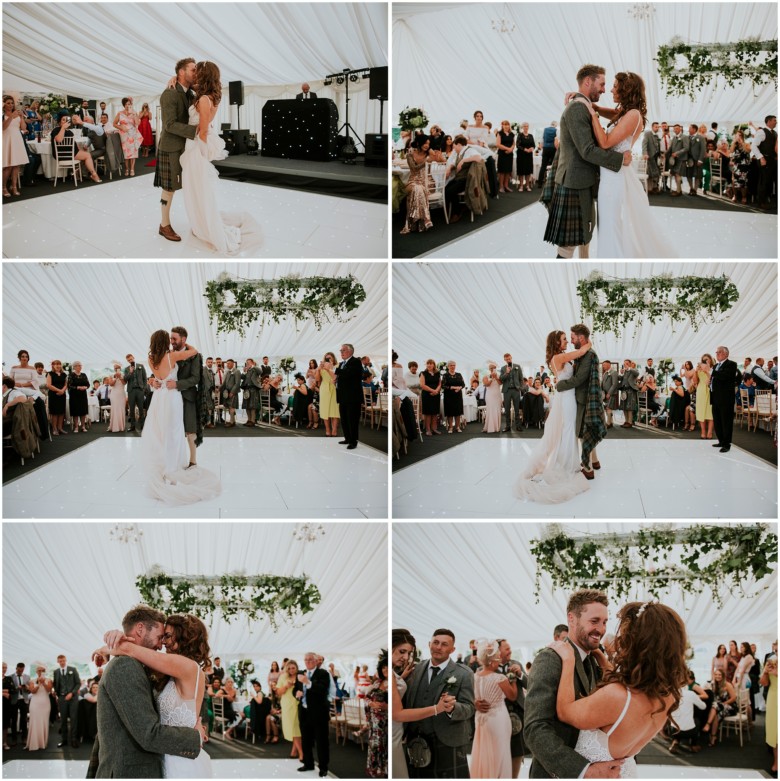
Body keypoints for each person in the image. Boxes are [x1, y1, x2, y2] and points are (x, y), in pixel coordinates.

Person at [547, 599, 688, 778]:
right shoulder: (667, 697)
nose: (619, 639)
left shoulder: (617, 696)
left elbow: (565, 711)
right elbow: (628, 688)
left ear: (638, 642)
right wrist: (602, 659)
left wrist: (568, 660)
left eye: (624, 634)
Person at [88, 607, 206, 778]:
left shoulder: (186, 666)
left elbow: (130, 650)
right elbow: (147, 730)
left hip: (179, 761)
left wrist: (111, 647)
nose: (161, 643)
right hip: (153, 761)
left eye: (167, 636)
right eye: (161, 636)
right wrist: (110, 648)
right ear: (141, 628)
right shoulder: (129, 666)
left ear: (184, 637)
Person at [576, 71, 675, 257]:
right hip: (610, 176)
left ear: (626, 90)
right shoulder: (626, 112)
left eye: (614, 86)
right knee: (608, 225)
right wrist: (590, 104)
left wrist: (592, 115)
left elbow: (605, 142)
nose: (611, 90)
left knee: (610, 225)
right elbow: (608, 112)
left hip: (615, 179)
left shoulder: (633, 114)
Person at [542, 66, 630, 259]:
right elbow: (587, 150)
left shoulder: (583, 105)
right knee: (568, 244)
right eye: (602, 84)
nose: (605, 89)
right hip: (574, 183)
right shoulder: (577, 108)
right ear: (588, 82)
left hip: (582, 181)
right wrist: (620, 159)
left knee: (584, 236)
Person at [179, 60, 257, 254]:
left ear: (204, 75)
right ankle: (200, 224)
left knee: (198, 190)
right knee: (196, 189)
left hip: (196, 148)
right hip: (194, 146)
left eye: (198, 71)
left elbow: (204, 130)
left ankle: (207, 228)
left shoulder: (204, 99)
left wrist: (201, 154)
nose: (195, 74)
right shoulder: (208, 96)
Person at [514, 328, 597, 503]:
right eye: (564, 339)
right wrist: (588, 341)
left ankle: (570, 461)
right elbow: (582, 351)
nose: (567, 341)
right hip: (566, 398)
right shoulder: (557, 358)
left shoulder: (560, 356)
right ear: (557, 342)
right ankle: (567, 464)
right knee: (568, 429)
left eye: (568, 339)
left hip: (568, 396)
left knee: (568, 429)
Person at [141, 328, 221, 504]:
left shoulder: (150, 358)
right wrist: (186, 344)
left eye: (174, 338)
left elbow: (160, 376)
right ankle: (173, 465)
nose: (171, 341)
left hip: (160, 397)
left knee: (161, 431)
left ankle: (172, 462)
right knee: (174, 431)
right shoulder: (171, 356)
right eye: (169, 339)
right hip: (171, 397)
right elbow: (194, 351)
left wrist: (155, 381)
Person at [402, 629, 475, 778]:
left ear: (452, 649)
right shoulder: (415, 669)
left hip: (448, 742)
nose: (438, 647)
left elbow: (469, 707)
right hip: (415, 741)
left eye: (444, 644)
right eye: (435, 642)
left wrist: (453, 708)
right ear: (429, 644)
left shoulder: (464, 673)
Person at [391, 629, 456, 781]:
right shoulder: (391, 674)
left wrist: (400, 678)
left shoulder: (397, 674)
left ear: (452, 649)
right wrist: (437, 708)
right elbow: (398, 714)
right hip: (397, 730)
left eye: (409, 653)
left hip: (403, 733)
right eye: (402, 651)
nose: (406, 657)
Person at [155, 58, 199, 242]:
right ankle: (164, 225)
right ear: (181, 72)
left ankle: (198, 223)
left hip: (187, 147)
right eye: (193, 69)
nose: (196, 72)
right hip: (171, 148)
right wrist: (196, 131)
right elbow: (170, 124)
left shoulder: (191, 93)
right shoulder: (169, 94)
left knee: (191, 185)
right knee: (169, 189)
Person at [470, 639, 516, 778]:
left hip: (480, 718)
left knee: (483, 750)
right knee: (500, 752)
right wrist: (512, 681)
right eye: (497, 658)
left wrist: (475, 703)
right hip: (498, 719)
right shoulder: (499, 678)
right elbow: (512, 696)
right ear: (492, 661)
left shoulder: (474, 676)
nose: (499, 660)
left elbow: (470, 697)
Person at [400, 134, 434, 234]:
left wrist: (434, 156)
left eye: (428, 143)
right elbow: (414, 169)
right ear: (419, 143)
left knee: (417, 190)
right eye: (425, 143)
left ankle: (413, 222)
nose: (427, 145)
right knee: (417, 189)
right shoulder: (410, 154)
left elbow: (443, 160)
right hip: (413, 180)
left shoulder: (429, 154)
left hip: (427, 181)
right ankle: (425, 219)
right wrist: (426, 161)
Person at [710, 346, 741, 453]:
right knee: (717, 421)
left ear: (726, 354)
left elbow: (724, 376)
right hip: (715, 398)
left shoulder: (731, 364)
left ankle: (727, 444)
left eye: (719, 352)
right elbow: (715, 379)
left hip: (726, 398)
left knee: (726, 421)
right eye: (716, 352)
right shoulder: (715, 366)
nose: (717, 354)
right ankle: (721, 441)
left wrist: (710, 371)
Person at [335, 343, 363, 449]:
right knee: (344, 419)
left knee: (352, 419)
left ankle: (353, 441)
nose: (341, 352)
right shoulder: (342, 363)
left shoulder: (355, 362)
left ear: (350, 351)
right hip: (342, 396)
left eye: (343, 350)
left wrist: (334, 369)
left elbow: (348, 374)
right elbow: (341, 376)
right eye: (341, 350)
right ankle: (347, 438)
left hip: (353, 397)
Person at [365, 654, 389, 778]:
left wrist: (386, 707)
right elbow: (366, 698)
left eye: (388, 667)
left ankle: (384, 771)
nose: (385, 669)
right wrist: (370, 703)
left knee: (383, 745)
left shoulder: (397, 684)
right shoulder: (377, 683)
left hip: (387, 722)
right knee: (374, 744)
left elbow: (403, 705)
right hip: (374, 721)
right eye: (383, 667)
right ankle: (375, 769)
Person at [276, 659, 304, 762]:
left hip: (299, 704)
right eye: (289, 668)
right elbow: (278, 692)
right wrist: (286, 686)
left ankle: (295, 751)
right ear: (286, 668)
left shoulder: (300, 676)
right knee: (292, 728)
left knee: (296, 728)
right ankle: (301, 752)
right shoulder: (283, 677)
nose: (291, 670)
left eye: (293, 668)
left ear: (297, 668)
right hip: (287, 704)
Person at [2, 95, 29, 196]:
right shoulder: (2, 115)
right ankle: (3, 187)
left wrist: (21, 117)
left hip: (17, 140)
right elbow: (3, 128)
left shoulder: (17, 114)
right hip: (7, 141)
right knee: (8, 166)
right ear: (4, 104)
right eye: (8, 103)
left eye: (12, 103)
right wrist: (11, 117)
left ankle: (14, 186)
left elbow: (23, 127)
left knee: (16, 165)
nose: (10, 105)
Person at [25, 663, 52, 751]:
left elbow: (49, 690)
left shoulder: (49, 680)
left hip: (45, 703)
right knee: (34, 721)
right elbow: (32, 691)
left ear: (45, 672)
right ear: (36, 672)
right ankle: (33, 743)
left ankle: (42, 743)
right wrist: (39, 683)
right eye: (39, 670)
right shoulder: (32, 680)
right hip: (35, 703)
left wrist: (43, 682)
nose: (41, 672)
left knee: (44, 722)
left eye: (42, 670)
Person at [113, 97, 142, 176]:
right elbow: (114, 124)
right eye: (125, 104)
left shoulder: (134, 113)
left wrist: (134, 114)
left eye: (129, 104)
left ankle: (132, 169)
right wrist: (121, 127)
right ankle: (127, 169)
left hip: (132, 135)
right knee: (126, 153)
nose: (127, 105)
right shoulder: (120, 113)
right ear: (123, 105)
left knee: (133, 152)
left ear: (131, 105)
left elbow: (137, 123)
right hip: (124, 135)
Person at [760, 653, 777, 773]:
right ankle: (777, 760)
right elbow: (764, 683)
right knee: (774, 731)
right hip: (774, 697)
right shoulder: (772, 662)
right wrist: (765, 672)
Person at [315, 352, 340, 437]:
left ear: (333, 358)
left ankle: (334, 429)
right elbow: (317, 379)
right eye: (326, 358)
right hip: (324, 388)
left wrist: (328, 369)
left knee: (334, 410)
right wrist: (318, 369)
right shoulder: (321, 367)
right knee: (325, 410)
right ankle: (328, 430)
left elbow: (334, 378)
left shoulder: (337, 366)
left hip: (334, 388)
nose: (328, 359)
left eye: (330, 358)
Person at [441, 362, 465, 434]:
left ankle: (457, 427)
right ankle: (450, 427)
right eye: (451, 365)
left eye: (454, 365)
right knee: (450, 412)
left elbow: (463, 384)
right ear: (448, 366)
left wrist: (459, 388)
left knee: (458, 412)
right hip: (449, 395)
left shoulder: (459, 374)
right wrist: (452, 387)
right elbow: (443, 386)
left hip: (458, 395)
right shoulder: (445, 375)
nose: (453, 366)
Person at [482, 362, 502, 433]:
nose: (493, 369)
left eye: (494, 368)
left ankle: (497, 427)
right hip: (490, 395)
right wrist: (491, 378)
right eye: (491, 368)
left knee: (497, 410)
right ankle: (489, 427)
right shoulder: (485, 376)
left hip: (497, 395)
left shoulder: (499, 375)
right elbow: (486, 385)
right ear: (489, 369)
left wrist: (496, 377)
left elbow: (500, 383)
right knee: (490, 410)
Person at [496, 120, 515, 193]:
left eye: (507, 125)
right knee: (502, 171)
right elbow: (498, 144)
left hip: (510, 154)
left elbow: (513, 143)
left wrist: (511, 149)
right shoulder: (499, 133)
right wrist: (507, 149)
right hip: (502, 154)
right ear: (502, 125)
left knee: (508, 170)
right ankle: (501, 187)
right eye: (505, 125)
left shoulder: (512, 134)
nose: (506, 126)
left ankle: (506, 186)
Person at [107, 362, 127, 432]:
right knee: (115, 409)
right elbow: (111, 384)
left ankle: (121, 426)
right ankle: (114, 426)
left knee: (121, 409)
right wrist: (115, 378)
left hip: (121, 393)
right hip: (114, 394)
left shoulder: (124, 374)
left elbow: (124, 383)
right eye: (115, 368)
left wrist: (120, 377)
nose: (116, 369)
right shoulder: (111, 375)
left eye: (117, 368)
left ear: (120, 368)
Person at [516, 122, 535, 191]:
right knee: (521, 170)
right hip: (521, 155)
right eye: (524, 126)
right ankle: (521, 186)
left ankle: (527, 185)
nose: (526, 127)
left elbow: (533, 145)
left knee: (528, 170)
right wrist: (525, 149)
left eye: (527, 126)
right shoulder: (520, 135)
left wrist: (532, 148)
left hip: (529, 155)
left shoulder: (531, 135)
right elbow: (517, 145)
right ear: (522, 127)